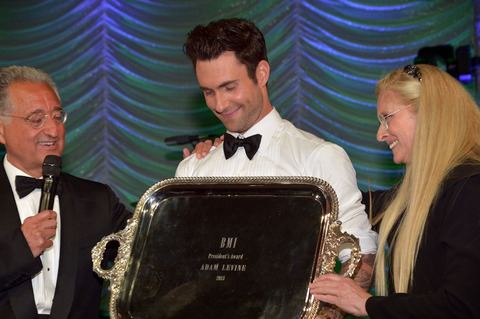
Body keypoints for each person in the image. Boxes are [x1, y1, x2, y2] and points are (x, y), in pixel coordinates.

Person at [176, 18, 378, 318]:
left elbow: (360, 257)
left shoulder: (319, 158)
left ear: (261, 73)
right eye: (208, 92)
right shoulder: (191, 171)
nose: (219, 104)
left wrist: (325, 313)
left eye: (229, 87)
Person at [308, 64, 480, 318]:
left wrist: (366, 304)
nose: (380, 134)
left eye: (387, 117)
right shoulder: (413, 197)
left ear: (429, 114)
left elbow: (462, 306)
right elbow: (344, 202)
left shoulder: (470, 190)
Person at [0, 65, 132, 318]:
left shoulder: (97, 199)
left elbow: (154, 244)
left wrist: (193, 178)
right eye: (36, 119)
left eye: (57, 116)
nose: (53, 130)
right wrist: (20, 249)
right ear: (1, 129)